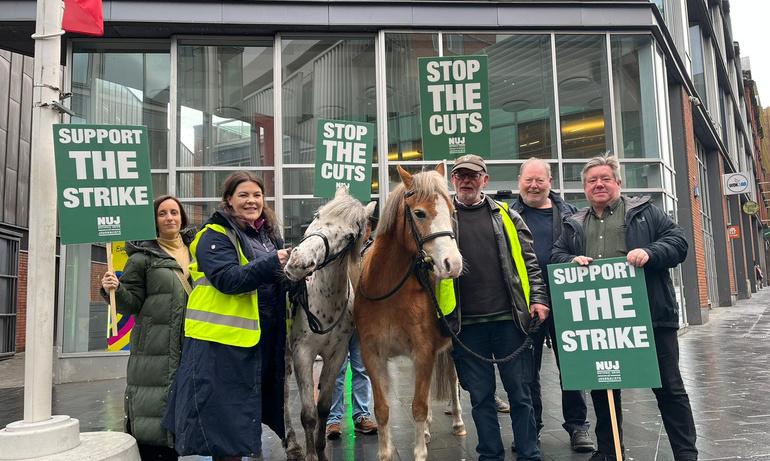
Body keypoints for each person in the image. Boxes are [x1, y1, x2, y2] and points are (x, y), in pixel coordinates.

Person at [552, 155, 698, 461]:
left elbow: (679, 241)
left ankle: (686, 453)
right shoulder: (575, 223)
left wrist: (650, 251)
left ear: (618, 182)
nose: (599, 185)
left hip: (651, 319)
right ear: (584, 188)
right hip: (600, 324)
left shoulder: (646, 213)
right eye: (592, 181)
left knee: (669, 388)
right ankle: (608, 451)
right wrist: (570, 261)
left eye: (605, 178)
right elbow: (556, 255)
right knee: (603, 390)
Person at [161, 171, 291, 461]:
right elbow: (228, 279)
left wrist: (295, 276)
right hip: (220, 345)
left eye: (256, 195)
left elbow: (273, 283)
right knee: (225, 427)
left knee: (242, 418)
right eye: (243, 195)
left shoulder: (268, 235)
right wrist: (274, 262)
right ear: (229, 200)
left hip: (257, 340)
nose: (251, 200)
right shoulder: (214, 235)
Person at [444, 154, 550, 461]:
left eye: (473, 176)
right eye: (460, 175)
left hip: (510, 322)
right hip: (466, 325)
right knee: (480, 398)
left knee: (521, 395)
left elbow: (530, 264)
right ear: (453, 180)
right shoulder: (443, 219)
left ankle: (529, 454)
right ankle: (490, 455)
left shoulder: (507, 216)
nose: (466, 180)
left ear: (484, 180)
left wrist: (539, 299)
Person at [100, 195, 195, 461]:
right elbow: (130, 304)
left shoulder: (197, 250)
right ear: (153, 221)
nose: (169, 218)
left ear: (182, 217)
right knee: (154, 411)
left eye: (174, 212)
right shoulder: (142, 257)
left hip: (192, 344)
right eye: (162, 213)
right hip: (155, 346)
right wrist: (114, 290)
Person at [511, 157, 595, 453]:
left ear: (550, 181)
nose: (534, 186)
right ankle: (531, 428)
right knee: (526, 372)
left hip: (567, 301)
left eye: (540, 180)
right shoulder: (506, 216)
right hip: (526, 305)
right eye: (528, 180)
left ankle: (578, 427)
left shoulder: (571, 214)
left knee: (573, 367)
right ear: (519, 180)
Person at [326, 218, 378, 439]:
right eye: (359, 225)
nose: (363, 230)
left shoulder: (377, 250)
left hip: (363, 322)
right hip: (338, 322)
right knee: (336, 372)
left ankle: (361, 416)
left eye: (367, 226)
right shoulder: (340, 250)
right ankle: (333, 419)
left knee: (362, 370)